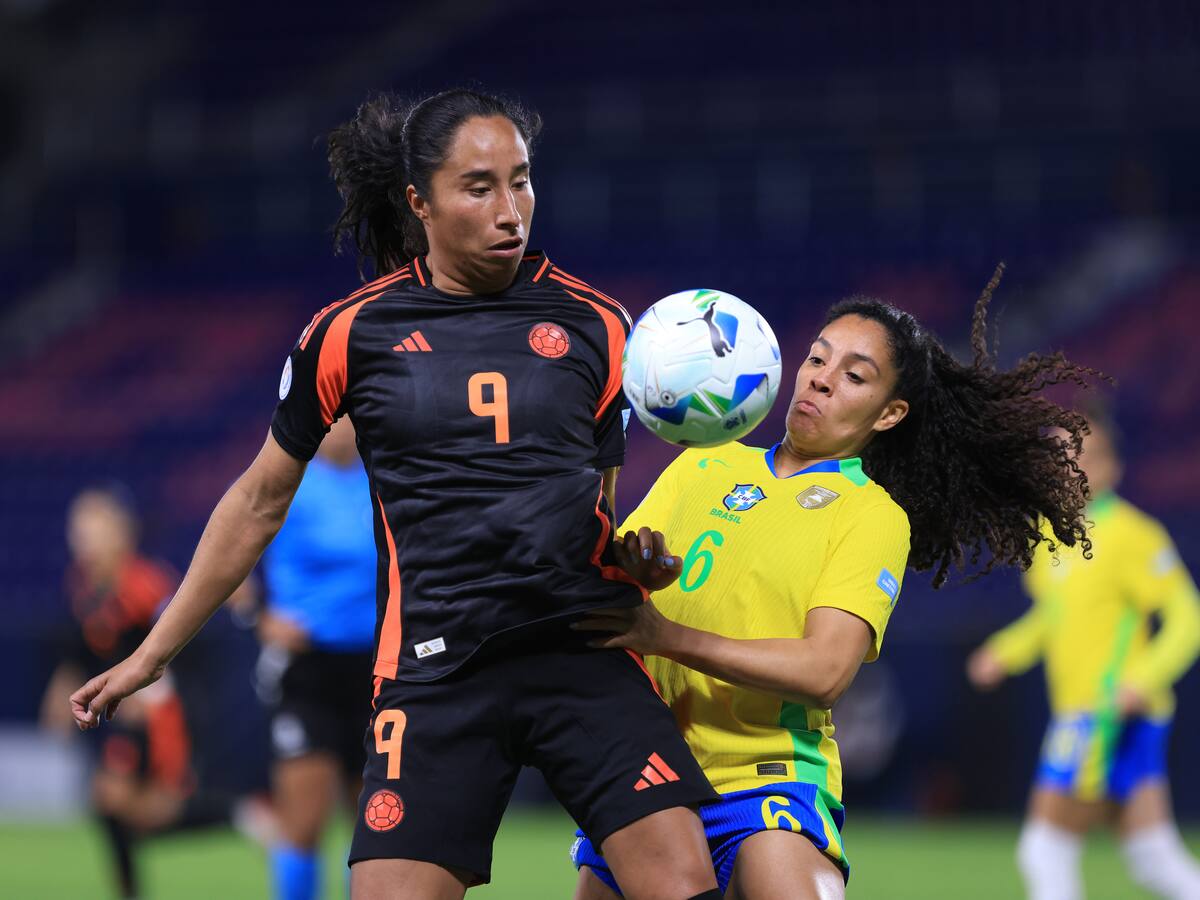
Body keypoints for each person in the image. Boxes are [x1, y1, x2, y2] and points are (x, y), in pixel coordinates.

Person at [70, 88, 723, 900]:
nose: (511, 208)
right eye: (479, 187)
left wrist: (637, 560)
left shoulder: (601, 326)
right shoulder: (351, 332)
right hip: (435, 673)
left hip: (580, 655)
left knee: (685, 881)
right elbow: (257, 502)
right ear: (419, 201)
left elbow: (601, 505)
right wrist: (150, 654)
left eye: (521, 180)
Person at [570, 269, 1099, 900]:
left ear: (890, 412)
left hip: (762, 778)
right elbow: (604, 579)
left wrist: (666, 635)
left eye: (854, 375)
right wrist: (635, 567)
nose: (821, 376)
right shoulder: (704, 461)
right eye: (818, 358)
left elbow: (824, 670)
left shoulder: (871, 514)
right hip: (646, 772)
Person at [967, 404, 1200, 900]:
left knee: (1044, 848)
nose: (1066, 471)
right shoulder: (1051, 535)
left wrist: (1143, 679)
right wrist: (1005, 652)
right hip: (1087, 711)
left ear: (1111, 467)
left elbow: (1188, 617)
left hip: (1104, 712)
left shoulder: (1132, 536)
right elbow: (1053, 617)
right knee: (1152, 856)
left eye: (1081, 458)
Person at [41, 485, 269, 899]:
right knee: (117, 810)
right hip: (114, 714)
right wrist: (61, 689)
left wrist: (151, 702)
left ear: (121, 534)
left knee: (127, 804)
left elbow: (181, 638)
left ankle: (235, 813)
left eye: (93, 530)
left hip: (158, 714)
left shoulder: (146, 585)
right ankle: (228, 816)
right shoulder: (83, 589)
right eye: (78, 531)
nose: (83, 541)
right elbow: (81, 650)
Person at [254, 416, 377, 900]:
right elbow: (232, 552)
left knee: (373, 825)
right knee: (303, 821)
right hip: (309, 667)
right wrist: (261, 617)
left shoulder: (381, 479)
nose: (343, 429)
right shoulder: (291, 480)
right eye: (335, 419)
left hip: (375, 668)